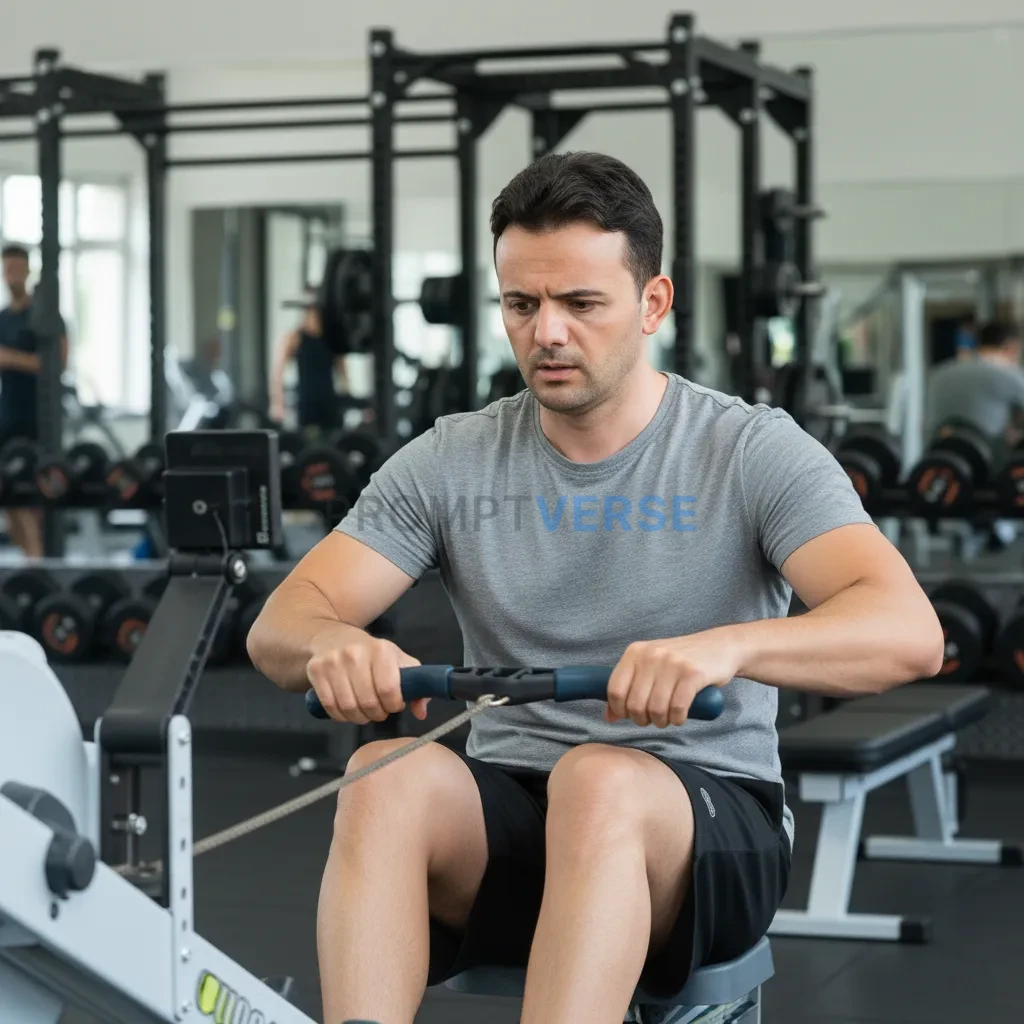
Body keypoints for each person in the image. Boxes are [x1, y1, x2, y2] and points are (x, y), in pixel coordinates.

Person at [247, 152, 944, 1024]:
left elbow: (909, 633)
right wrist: (330, 643)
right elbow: (281, 626)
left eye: (581, 304)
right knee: (381, 773)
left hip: (705, 829)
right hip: (513, 819)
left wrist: (727, 647)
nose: (547, 333)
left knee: (599, 780)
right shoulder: (451, 457)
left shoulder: (749, 449)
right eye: (522, 304)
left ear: (652, 304)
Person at [0, 244, 68, 558]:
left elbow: (58, 365)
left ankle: (41, 564)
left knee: (38, 497)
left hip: (41, 420)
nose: (11, 275)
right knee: (10, 496)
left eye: (17, 268)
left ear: (27, 271)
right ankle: (31, 564)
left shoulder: (44, 318)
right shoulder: (2, 319)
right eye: (7, 269)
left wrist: (13, 359)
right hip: (8, 417)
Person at [925, 319, 1024, 458]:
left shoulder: (939, 373)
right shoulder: (1011, 375)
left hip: (940, 462)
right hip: (989, 465)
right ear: (1011, 348)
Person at [269, 292, 350, 433]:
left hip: (329, 401)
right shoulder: (294, 337)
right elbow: (277, 372)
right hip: (305, 402)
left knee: (332, 443)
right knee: (306, 444)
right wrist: (277, 403)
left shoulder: (332, 337)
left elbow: (343, 374)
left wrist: (348, 399)